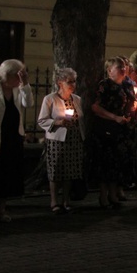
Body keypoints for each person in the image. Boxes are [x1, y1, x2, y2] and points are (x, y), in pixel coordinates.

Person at [37, 68, 85, 213]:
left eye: (74, 81)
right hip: (57, 139)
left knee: (70, 171)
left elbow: (80, 119)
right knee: (56, 170)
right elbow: (42, 120)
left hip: (74, 139)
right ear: (60, 83)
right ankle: (54, 201)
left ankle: (66, 200)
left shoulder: (76, 99)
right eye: (69, 81)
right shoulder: (50, 99)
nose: (72, 84)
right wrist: (57, 122)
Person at [91, 57, 137, 208]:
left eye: (124, 66)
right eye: (119, 67)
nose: (123, 69)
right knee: (106, 162)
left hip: (122, 129)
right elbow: (96, 107)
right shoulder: (105, 85)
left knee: (117, 162)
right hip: (107, 128)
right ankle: (103, 195)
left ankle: (114, 192)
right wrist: (114, 117)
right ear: (110, 70)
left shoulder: (126, 85)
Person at [0, 59, 34, 222]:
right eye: (17, 76)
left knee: (8, 174)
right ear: (6, 75)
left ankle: (1, 210)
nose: (19, 79)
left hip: (13, 136)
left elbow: (29, 103)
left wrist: (25, 84)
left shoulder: (18, 89)